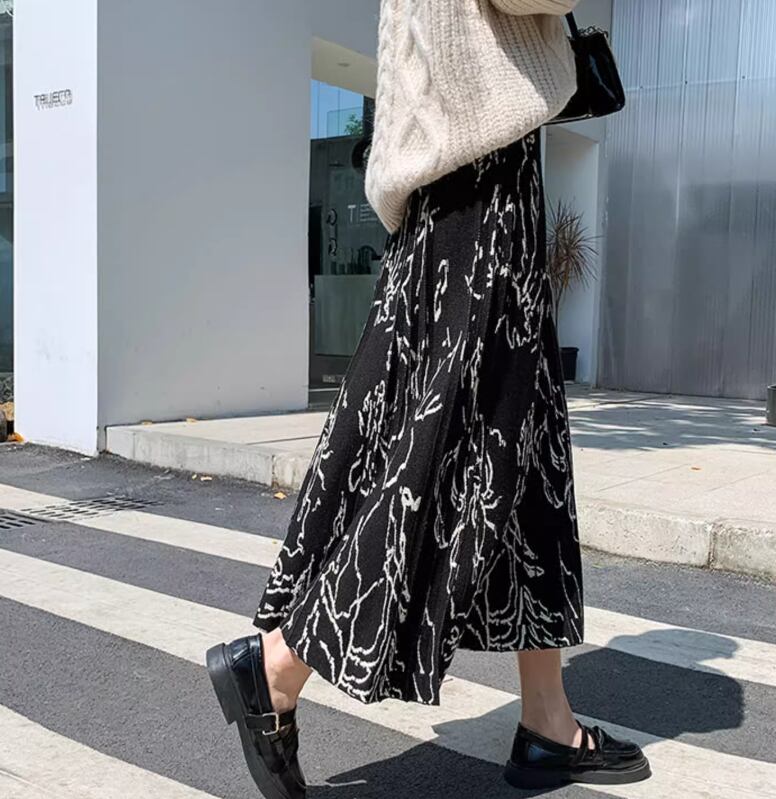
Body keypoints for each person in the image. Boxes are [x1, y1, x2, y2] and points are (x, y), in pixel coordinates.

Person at [205, 1, 651, 796]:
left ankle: (547, 720)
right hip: (480, 185)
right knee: (443, 460)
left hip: (460, 181)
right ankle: (276, 667)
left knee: (524, 461)